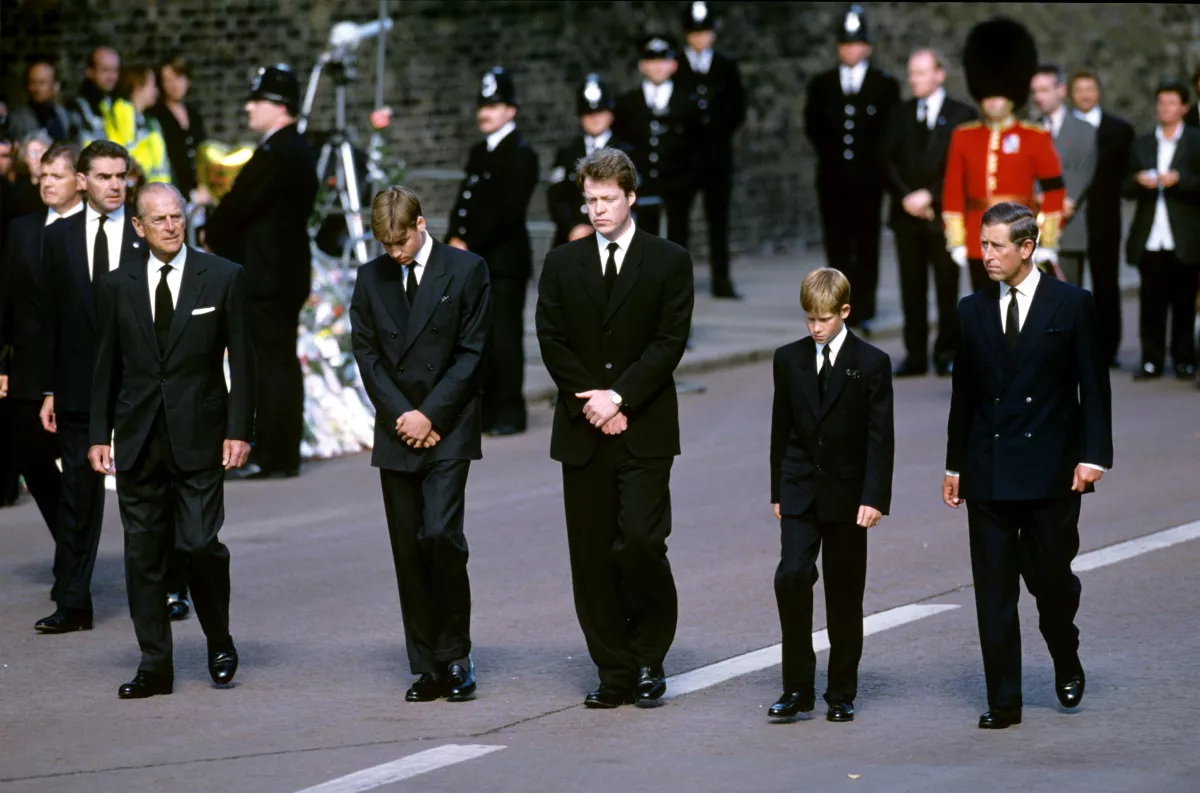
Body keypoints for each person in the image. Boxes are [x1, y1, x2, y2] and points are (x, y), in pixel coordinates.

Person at [943, 201, 1112, 729]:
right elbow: (963, 396)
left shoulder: (1072, 303)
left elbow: (1094, 386)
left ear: (1027, 248)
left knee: (1051, 582)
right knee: (993, 591)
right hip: (989, 470)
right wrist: (954, 467)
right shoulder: (971, 310)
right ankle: (1004, 701)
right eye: (983, 244)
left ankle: (1064, 649)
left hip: (1052, 472)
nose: (986, 255)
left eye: (996, 246)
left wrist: (1094, 457)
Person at [535, 148, 693, 708]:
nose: (598, 209)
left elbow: (669, 341)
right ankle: (613, 668)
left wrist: (619, 396)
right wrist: (592, 403)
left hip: (644, 425)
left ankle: (650, 655)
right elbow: (551, 338)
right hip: (583, 430)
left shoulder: (669, 260)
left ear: (630, 197)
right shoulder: (561, 263)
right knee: (593, 554)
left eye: (607, 199)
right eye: (590, 200)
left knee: (643, 542)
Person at [88, 183, 252, 698]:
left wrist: (239, 429)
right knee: (142, 555)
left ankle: (219, 638)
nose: (169, 226)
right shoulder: (117, 285)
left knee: (200, 544)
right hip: (137, 439)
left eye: (176, 216)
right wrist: (98, 435)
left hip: (200, 437)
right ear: (138, 226)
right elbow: (105, 367)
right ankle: (155, 666)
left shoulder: (223, 277)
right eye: (157, 219)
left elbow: (244, 364)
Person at [350, 186, 491, 703]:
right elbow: (367, 357)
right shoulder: (370, 278)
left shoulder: (467, 269)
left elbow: (473, 353)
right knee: (408, 549)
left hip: (448, 424)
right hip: (396, 426)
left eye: (400, 242)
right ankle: (427, 663)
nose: (394, 253)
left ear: (420, 224)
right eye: (385, 245)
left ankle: (456, 654)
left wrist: (429, 414)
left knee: (440, 535)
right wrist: (402, 415)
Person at [768, 267, 893, 723]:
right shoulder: (788, 359)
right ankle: (796, 688)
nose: (815, 328)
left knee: (844, 595)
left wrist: (875, 496)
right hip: (800, 488)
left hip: (848, 496)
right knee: (791, 577)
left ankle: (840, 691)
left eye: (823, 319)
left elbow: (881, 437)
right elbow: (780, 429)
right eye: (808, 319)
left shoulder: (872, 362)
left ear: (844, 311)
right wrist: (777, 490)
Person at [36, 140, 144, 634]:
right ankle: (74, 601)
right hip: (78, 387)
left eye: (121, 176)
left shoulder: (145, 236)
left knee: (147, 493)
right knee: (78, 496)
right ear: (82, 180)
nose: (115, 185)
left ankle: (169, 588)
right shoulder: (57, 240)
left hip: (141, 386)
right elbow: (51, 321)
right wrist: (50, 390)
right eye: (103, 176)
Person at [207, 64, 318, 478]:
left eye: (257, 99)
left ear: (279, 106)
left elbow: (240, 205)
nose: (249, 107)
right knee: (277, 360)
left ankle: (273, 452)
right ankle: (277, 451)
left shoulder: (280, 152)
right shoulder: (291, 149)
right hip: (280, 271)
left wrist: (209, 233)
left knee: (268, 363)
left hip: (269, 274)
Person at [446, 66, 538, 437]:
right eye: (483, 105)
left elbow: (507, 211)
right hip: (475, 260)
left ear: (511, 111)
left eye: (495, 105)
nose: (485, 112)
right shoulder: (479, 151)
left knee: (504, 337)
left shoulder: (520, 154)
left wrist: (469, 244)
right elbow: (465, 201)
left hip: (503, 262)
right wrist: (454, 235)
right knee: (477, 337)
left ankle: (510, 411)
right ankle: (484, 409)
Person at [942, 18, 1066, 291]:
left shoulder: (1034, 136)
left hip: (1019, 237)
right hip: (979, 239)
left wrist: (1046, 238)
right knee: (986, 312)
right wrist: (957, 239)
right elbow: (952, 191)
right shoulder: (963, 136)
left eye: (1000, 94)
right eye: (989, 95)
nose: (994, 100)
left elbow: (1054, 189)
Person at [0, 142, 81, 541]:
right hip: (30, 365)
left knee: (82, 465)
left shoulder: (96, 230)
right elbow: (6, 297)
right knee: (31, 458)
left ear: (78, 182)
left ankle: (73, 562)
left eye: (57, 176)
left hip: (79, 366)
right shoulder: (24, 229)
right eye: (43, 175)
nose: (46, 183)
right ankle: (70, 543)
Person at [803, 4, 900, 330]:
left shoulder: (884, 85)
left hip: (869, 180)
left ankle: (865, 307)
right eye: (845, 44)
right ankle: (837, 305)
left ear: (868, 47)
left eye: (857, 43)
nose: (850, 49)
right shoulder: (822, 84)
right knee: (837, 244)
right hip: (832, 180)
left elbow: (889, 133)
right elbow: (813, 127)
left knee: (866, 245)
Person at [884, 48, 976, 377]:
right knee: (911, 289)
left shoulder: (962, 115)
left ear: (939, 75)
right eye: (911, 73)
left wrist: (930, 197)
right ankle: (915, 354)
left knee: (946, 287)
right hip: (906, 216)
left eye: (921, 73)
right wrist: (908, 197)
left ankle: (947, 352)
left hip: (944, 217)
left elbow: (962, 167)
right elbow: (887, 160)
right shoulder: (900, 114)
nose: (914, 80)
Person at [1123, 78, 1200, 382]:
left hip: (1184, 235)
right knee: (1151, 303)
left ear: (1183, 107)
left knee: (1184, 303)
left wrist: (1180, 179)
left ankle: (1184, 360)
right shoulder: (1143, 142)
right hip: (1150, 236)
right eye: (1160, 102)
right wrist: (1138, 179)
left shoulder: (1195, 141)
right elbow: (1124, 185)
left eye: (1171, 103)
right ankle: (1151, 359)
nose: (1165, 108)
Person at [676, 0, 746, 299]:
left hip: (717, 156)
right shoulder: (676, 65)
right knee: (679, 222)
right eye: (694, 33)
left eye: (704, 32)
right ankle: (678, 281)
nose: (700, 39)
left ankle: (722, 279)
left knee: (719, 219)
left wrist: (717, 131)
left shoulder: (726, 67)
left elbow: (737, 108)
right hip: (684, 156)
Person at [1070, 70, 1134, 369]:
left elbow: (1126, 174)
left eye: (1090, 88)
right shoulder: (1061, 129)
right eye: (1079, 89)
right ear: (1071, 93)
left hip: (1104, 219)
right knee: (1066, 284)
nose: (1085, 95)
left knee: (1106, 285)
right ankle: (1067, 346)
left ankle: (1108, 349)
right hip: (1068, 219)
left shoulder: (1119, 130)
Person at [613, 35, 700, 247]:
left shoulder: (687, 103)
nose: (658, 67)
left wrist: (689, 180)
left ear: (673, 65)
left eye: (663, 61)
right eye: (652, 61)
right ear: (642, 65)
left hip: (678, 185)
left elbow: (697, 147)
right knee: (641, 241)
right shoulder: (627, 103)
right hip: (640, 185)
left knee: (678, 239)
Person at [1030, 64, 1096, 287]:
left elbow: (1083, 169)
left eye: (1045, 90)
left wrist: (1066, 201)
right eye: (1035, 91)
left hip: (1068, 227)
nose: (1039, 97)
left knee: (1067, 295)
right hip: (1033, 226)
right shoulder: (1031, 130)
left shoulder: (1083, 130)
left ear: (1061, 90)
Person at [547, 74, 632, 248]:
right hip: (572, 240)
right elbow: (556, 198)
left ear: (611, 114)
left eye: (600, 111)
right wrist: (572, 228)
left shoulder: (627, 152)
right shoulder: (567, 153)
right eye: (588, 113)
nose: (595, 118)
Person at [149, 54, 208, 201]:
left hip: (200, 192)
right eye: (168, 80)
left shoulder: (193, 114)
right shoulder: (156, 116)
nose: (175, 85)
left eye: (179, 77)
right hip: (172, 191)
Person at [106, 65, 172, 185]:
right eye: (152, 85)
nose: (156, 90)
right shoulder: (122, 111)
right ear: (138, 86)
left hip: (154, 191)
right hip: (136, 189)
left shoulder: (148, 121)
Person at [6, 60, 76, 144]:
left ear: (55, 86)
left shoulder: (64, 116)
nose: (36, 88)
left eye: (42, 83)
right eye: (32, 82)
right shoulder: (19, 119)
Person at [71, 47, 120, 145]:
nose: (111, 76)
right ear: (89, 71)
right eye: (105, 70)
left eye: (115, 70)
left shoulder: (118, 104)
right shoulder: (77, 107)